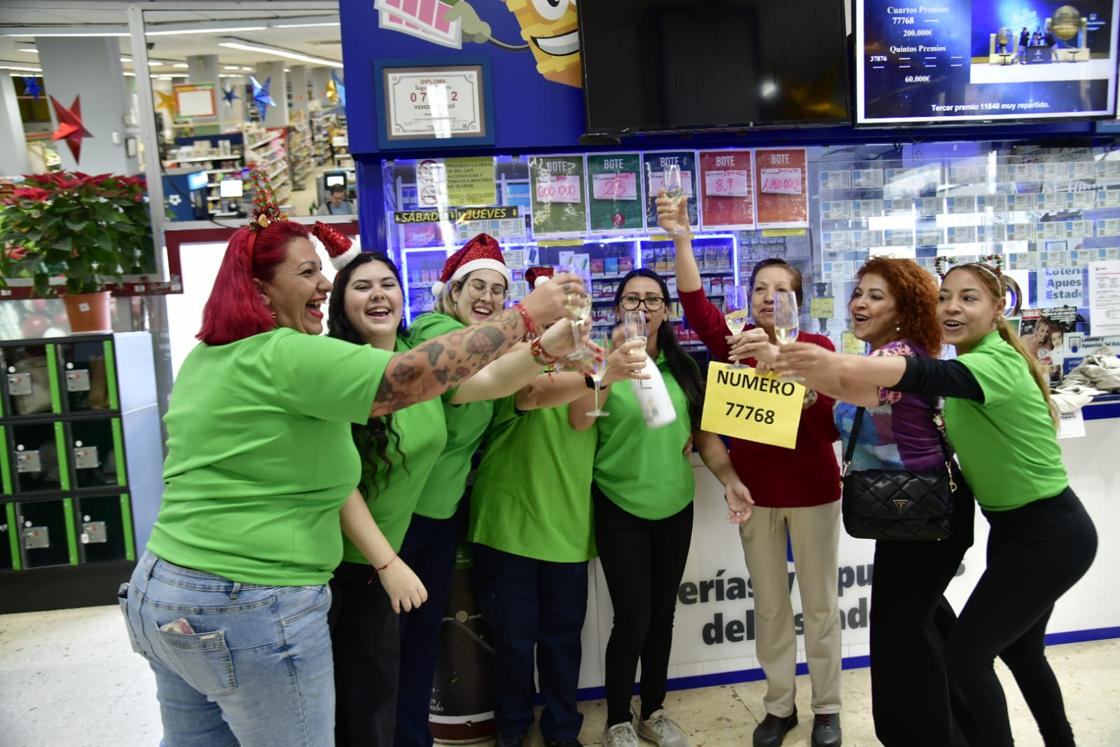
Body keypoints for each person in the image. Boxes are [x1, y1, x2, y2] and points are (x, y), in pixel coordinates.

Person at [117, 177, 583, 746]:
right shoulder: (290, 353)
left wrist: (547, 351)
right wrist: (524, 316)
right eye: (309, 273)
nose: (326, 282)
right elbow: (408, 379)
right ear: (261, 289)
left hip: (164, 588)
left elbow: (470, 385)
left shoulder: (210, 356)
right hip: (253, 598)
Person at [774, 262, 1098, 747]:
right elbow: (882, 392)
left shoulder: (991, 362)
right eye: (946, 296)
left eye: (969, 298)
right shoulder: (971, 361)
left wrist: (810, 359)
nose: (953, 307)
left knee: (966, 656)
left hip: (1051, 533)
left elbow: (915, 372)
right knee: (1020, 652)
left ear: (996, 309)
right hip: (1015, 531)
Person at [395, 237, 634, 747]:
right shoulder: (494, 356)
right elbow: (529, 395)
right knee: (509, 644)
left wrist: (595, 370)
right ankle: (512, 735)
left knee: (561, 643)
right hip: (501, 523)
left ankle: (562, 734)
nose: (486, 295)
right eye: (476, 285)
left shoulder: (578, 358)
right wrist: (594, 372)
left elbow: (578, 419)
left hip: (565, 526)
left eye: (496, 290)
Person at [657, 195, 842, 747]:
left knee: (821, 604)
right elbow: (693, 303)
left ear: (798, 301)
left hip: (813, 492)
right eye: (759, 288)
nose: (769, 297)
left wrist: (792, 377)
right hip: (755, 495)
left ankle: (828, 707)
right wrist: (683, 241)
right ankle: (779, 706)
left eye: (781, 289)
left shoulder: (819, 347)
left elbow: (830, 423)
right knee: (769, 604)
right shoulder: (733, 345)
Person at [568, 269, 753, 747]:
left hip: (675, 505)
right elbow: (578, 423)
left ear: (666, 311)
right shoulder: (598, 364)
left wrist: (730, 480)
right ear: (617, 311)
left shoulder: (685, 368)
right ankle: (616, 720)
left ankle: (653, 709)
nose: (643, 308)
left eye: (652, 300)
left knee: (662, 615)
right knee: (632, 617)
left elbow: (708, 440)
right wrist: (605, 375)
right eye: (632, 300)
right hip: (619, 505)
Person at [828, 257, 975, 747]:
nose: (860, 303)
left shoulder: (896, 357)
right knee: (923, 627)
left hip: (923, 511)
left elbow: (857, 395)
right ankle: (964, 729)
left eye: (876, 296)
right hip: (910, 514)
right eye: (858, 292)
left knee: (902, 639)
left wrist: (795, 364)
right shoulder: (880, 355)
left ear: (902, 309)